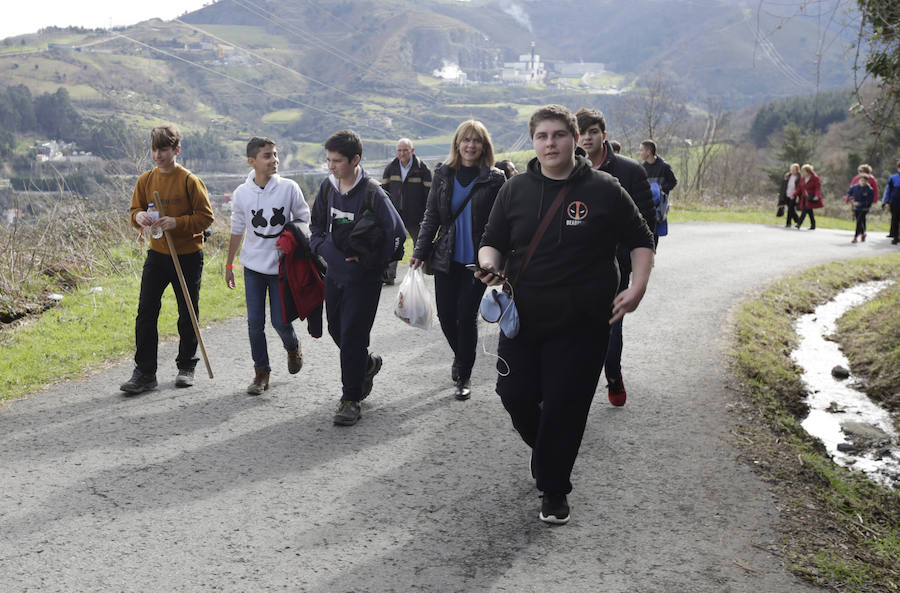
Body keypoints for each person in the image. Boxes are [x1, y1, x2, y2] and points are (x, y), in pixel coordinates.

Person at [475, 105, 654, 525]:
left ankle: (554, 489)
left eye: (558, 135)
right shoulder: (514, 190)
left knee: (564, 405)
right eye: (542, 136)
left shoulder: (605, 189)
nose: (550, 143)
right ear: (533, 142)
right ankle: (548, 451)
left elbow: (641, 240)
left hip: (583, 321)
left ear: (576, 140)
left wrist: (637, 286)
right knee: (515, 396)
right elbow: (491, 240)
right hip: (524, 316)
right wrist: (491, 268)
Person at [309, 130, 406, 426]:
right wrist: (326, 251)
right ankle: (366, 364)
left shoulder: (373, 192)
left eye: (337, 161)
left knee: (352, 334)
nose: (331, 166)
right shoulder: (327, 189)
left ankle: (350, 398)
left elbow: (398, 238)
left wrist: (371, 263)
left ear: (355, 160)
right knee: (337, 329)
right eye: (328, 160)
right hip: (335, 277)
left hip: (364, 281)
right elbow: (314, 231)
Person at [409, 120, 506, 400]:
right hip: (446, 258)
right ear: (457, 144)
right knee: (446, 316)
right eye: (466, 140)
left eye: (477, 140)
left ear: (484, 146)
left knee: (466, 316)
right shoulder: (443, 173)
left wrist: (504, 260)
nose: (471, 145)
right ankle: (461, 355)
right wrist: (418, 252)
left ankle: (464, 373)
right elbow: (431, 216)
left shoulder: (495, 178)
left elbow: (504, 222)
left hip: (478, 262)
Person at [121, 124, 214, 394]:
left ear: (176, 150)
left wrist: (177, 222)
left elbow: (206, 217)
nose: (158, 155)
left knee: (187, 312)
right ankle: (145, 373)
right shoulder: (145, 180)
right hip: (157, 254)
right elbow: (134, 210)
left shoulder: (189, 181)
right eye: (154, 149)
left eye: (163, 149)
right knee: (146, 312)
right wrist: (138, 217)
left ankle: (187, 366)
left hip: (187, 255)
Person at [575, 107, 655, 407]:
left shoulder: (630, 171)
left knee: (611, 327)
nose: (587, 138)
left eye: (593, 132)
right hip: (573, 269)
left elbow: (646, 228)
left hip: (616, 269)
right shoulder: (565, 170)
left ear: (603, 135)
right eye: (581, 133)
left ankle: (613, 374)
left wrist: (638, 276)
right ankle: (573, 387)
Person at [226, 137, 310, 395]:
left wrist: (289, 241)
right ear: (252, 161)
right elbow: (238, 228)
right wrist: (229, 263)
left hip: (281, 268)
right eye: (267, 156)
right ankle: (261, 372)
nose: (274, 160)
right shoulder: (242, 194)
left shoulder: (289, 188)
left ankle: (292, 346)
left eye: (275, 155)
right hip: (252, 267)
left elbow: (305, 220)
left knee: (280, 321)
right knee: (254, 323)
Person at [380, 138, 432, 285]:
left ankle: (418, 275)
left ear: (412, 151)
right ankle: (389, 275)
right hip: (395, 214)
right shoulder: (391, 168)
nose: (402, 154)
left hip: (417, 215)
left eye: (405, 150)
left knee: (420, 245)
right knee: (392, 243)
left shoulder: (423, 169)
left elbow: (430, 194)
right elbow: (383, 193)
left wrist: (426, 214)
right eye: (399, 150)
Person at [639, 139, 677, 245]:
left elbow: (673, 182)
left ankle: (651, 257)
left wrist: (662, 188)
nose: (640, 153)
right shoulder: (642, 167)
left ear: (649, 151)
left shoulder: (664, 166)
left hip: (659, 206)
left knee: (654, 235)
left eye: (641, 150)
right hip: (645, 205)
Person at [847, 172, 874, 243]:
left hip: (864, 208)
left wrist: (860, 204)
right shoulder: (855, 187)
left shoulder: (870, 189)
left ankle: (855, 237)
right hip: (856, 207)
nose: (862, 182)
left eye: (864, 181)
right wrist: (852, 199)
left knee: (859, 221)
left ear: (867, 181)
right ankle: (863, 234)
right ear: (859, 180)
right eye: (861, 180)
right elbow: (849, 192)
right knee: (860, 221)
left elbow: (869, 201)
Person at [793, 163, 822, 230]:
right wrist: (794, 195)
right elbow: (799, 188)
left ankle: (799, 223)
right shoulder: (803, 178)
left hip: (811, 197)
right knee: (809, 211)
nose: (802, 173)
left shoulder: (815, 178)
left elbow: (818, 187)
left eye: (804, 171)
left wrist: (817, 196)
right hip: (805, 198)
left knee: (805, 210)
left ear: (808, 171)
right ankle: (813, 225)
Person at [779, 163, 802, 228]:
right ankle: (797, 220)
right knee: (790, 209)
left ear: (797, 170)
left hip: (794, 195)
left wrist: (797, 197)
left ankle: (790, 222)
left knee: (790, 209)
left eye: (794, 169)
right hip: (787, 194)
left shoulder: (799, 178)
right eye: (792, 169)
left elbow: (799, 188)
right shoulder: (788, 176)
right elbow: (784, 186)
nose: (792, 171)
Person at [884, 160, 900, 244]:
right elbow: (888, 191)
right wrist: (887, 202)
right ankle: (895, 237)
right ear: (898, 169)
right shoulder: (893, 178)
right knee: (895, 220)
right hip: (895, 202)